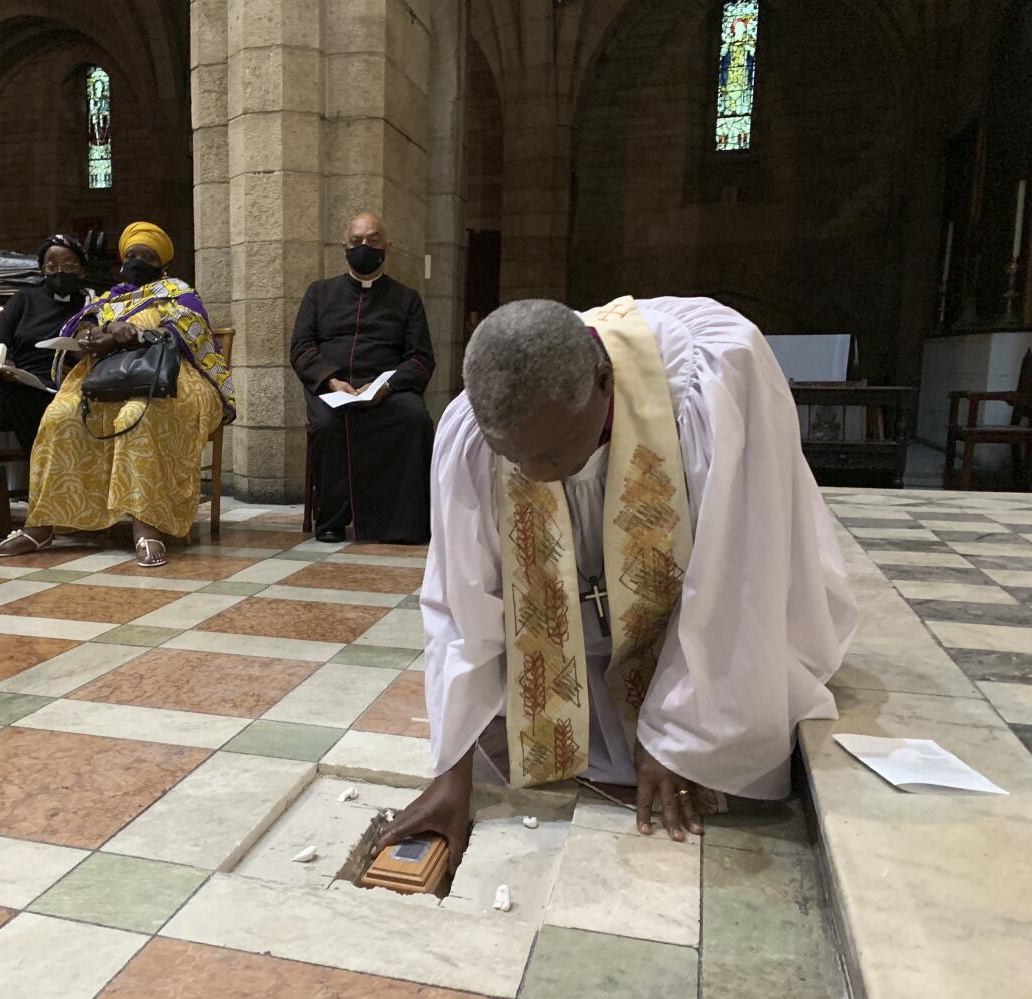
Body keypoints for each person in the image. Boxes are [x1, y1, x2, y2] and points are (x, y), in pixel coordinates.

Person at [380, 296, 857, 868]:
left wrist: (678, 739)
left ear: (604, 383)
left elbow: (739, 577)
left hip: (715, 610)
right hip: (583, 635)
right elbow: (461, 604)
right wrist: (451, 770)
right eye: (512, 457)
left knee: (710, 750)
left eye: (551, 455)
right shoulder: (474, 430)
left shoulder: (716, 374)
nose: (532, 475)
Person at [0, 221, 233, 569]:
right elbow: (77, 326)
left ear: (161, 263)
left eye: (146, 256)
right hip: (106, 378)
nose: (137, 260)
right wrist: (99, 331)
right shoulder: (110, 296)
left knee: (136, 418)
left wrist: (131, 334)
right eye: (131, 254)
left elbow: (191, 333)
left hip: (167, 378)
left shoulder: (180, 293)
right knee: (59, 417)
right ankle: (40, 525)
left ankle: (146, 526)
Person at [290, 212, 435, 544]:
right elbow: (301, 347)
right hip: (333, 388)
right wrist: (330, 380)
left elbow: (421, 357)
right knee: (327, 426)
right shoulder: (319, 293)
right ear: (344, 246)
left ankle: (401, 522)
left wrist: (387, 385)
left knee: (414, 419)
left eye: (372, 240)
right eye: (356, 241)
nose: (364, 247)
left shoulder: (407, 298)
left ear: (387, 246)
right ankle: (332, 519)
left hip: (387, 388)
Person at [0, 233, 90, 549]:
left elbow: (88, 350)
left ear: (81, 271)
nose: (58, 270)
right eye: (51, 264)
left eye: (68, 264)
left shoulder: (89, 303)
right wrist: (3, 361)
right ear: (42, 269)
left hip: (49, 389)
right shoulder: (24, 299)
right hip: (12, 378)